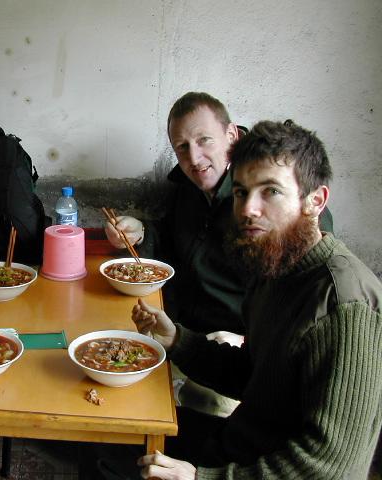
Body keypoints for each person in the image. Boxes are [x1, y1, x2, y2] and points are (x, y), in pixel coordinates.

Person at [131, 120, 382, 479]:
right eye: (240, 192)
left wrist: (199, 478)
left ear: (315, 201)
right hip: (239, 445)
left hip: (258, 468)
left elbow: (331, 468)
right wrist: (177, 340)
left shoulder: (343, 304)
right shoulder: (273, 269)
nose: (248, 208)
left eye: (271, 192)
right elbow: (255, 376)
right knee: (115, 436)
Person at [105, 92, 332, 417]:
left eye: (204, 141)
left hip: (235, 341)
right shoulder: (189, 187)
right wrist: (141, 232)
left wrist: (252, 340)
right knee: (108, 367)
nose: (194, 158)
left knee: (188, 414)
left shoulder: (276, 209)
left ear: (232, 137)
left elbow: (304, 284)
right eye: (182, 147)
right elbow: (174, 238)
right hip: (179, 325)